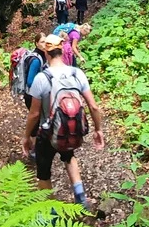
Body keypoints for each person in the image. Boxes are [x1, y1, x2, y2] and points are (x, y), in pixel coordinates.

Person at [22, 33, 105, 207]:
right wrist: (98, 130)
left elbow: (34, 114)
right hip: (70, 130)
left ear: (46, 53)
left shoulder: (41, 78)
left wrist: (26, 136)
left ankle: (51, 213)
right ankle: (81, 198)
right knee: (69, 157)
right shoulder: (77, 73)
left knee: (43, 173)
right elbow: (94, 106)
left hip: (47, 134)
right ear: (62, 51)